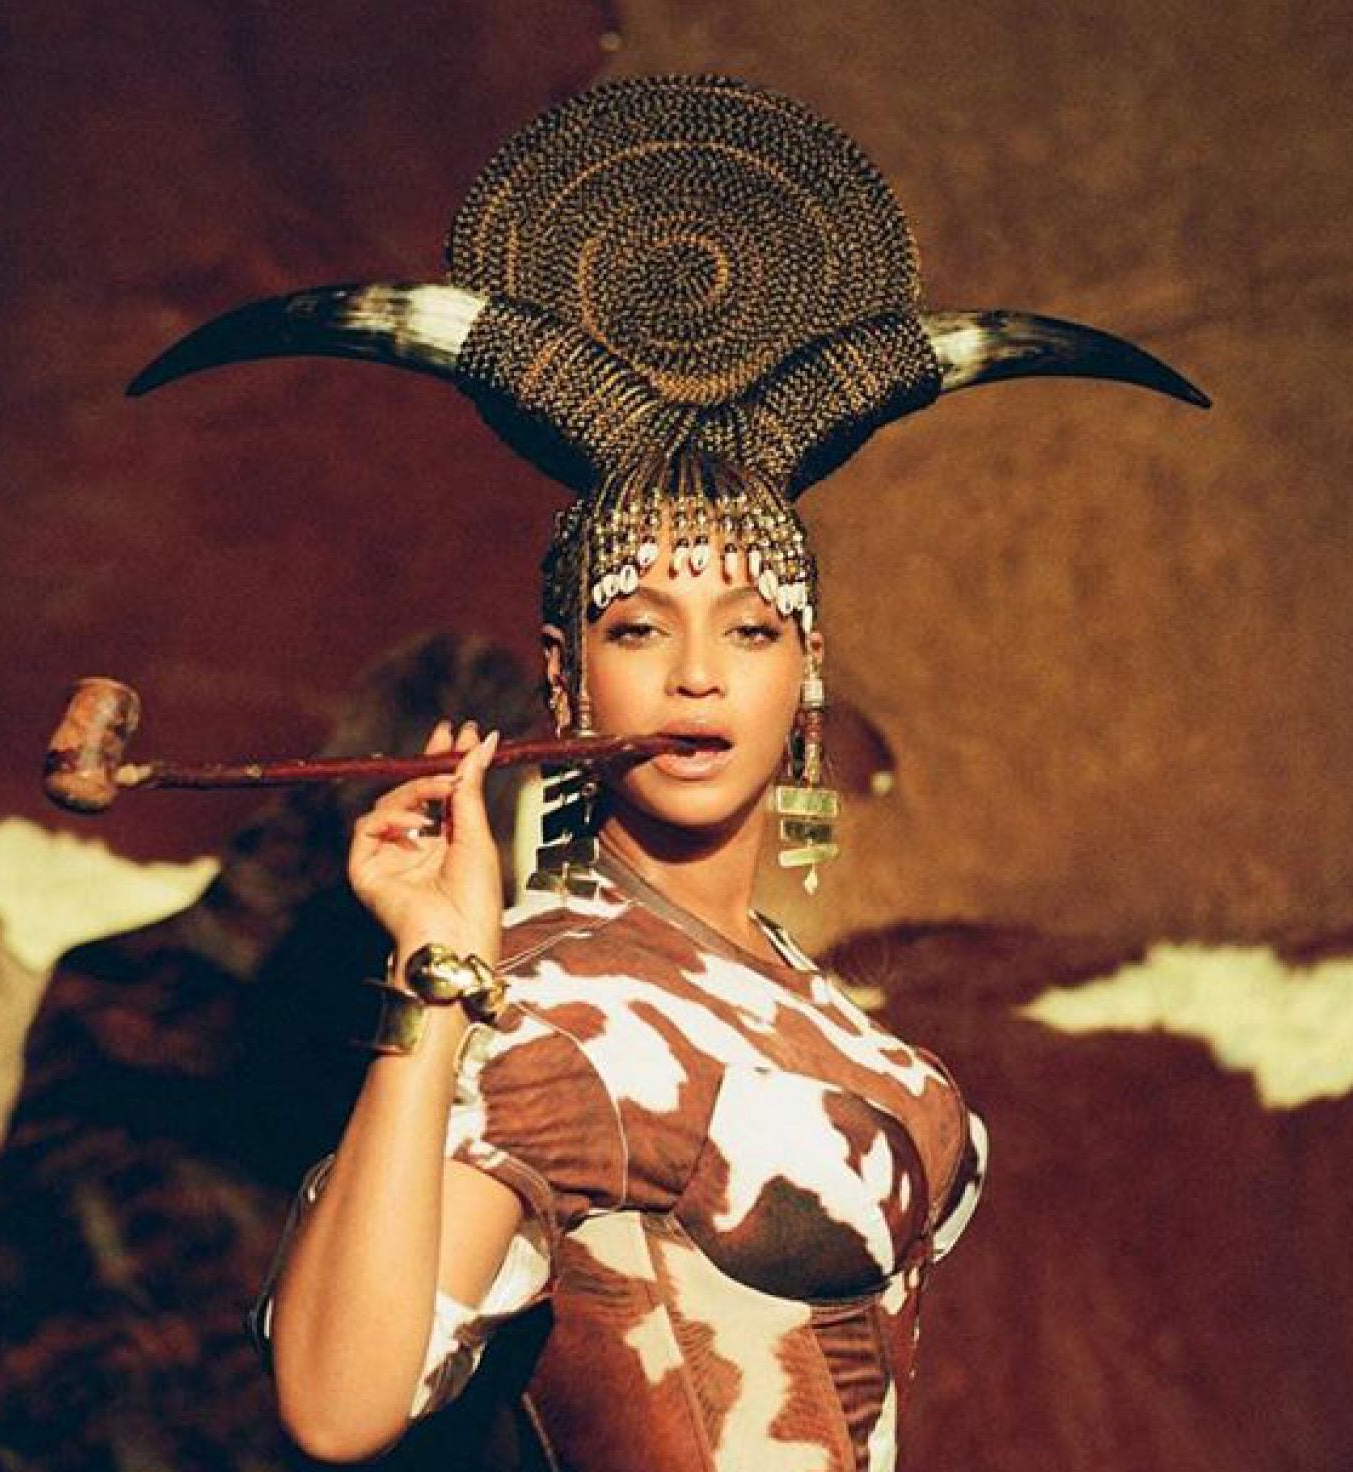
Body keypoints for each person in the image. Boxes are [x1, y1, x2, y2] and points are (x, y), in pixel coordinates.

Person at [129, 75, 1207, 1471]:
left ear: (804, 670)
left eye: (749, 630)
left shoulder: (809, 997)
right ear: (567, 677)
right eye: (639, 629)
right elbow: (340, 1404)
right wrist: (440, 979)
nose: (698, 675)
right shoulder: (543, 1000)